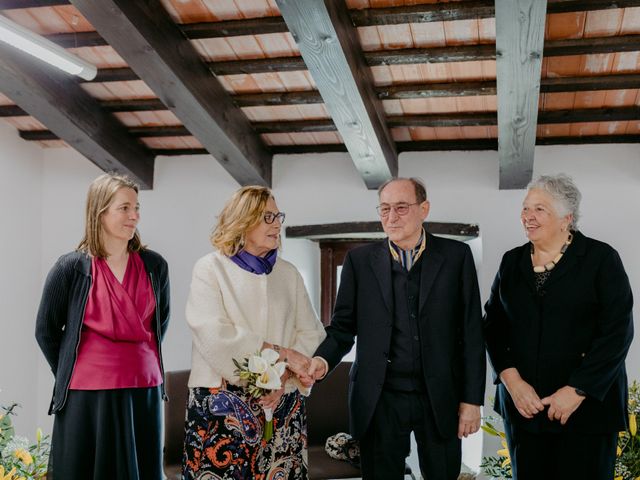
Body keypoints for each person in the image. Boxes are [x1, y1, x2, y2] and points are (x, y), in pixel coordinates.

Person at [306, 177, 485, 480]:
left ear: (424, 208)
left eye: (401, 208)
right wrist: (321, 360)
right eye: (385, 209)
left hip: (440, 396)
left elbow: (470, 333)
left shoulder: (456, 257)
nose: (391, 217)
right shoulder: (359, 262)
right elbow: (342, 328)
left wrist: (471, 401)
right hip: (379, 399)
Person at [483, 174, 634, 480]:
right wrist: (512, 382)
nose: (528, 216)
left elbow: (617, 332)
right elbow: (494, 326)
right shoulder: (511, 262)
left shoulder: (601, 259)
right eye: (526, 208)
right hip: (526, 410)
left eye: (539, 209)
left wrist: (578, 390)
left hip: (587, 411)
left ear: (567, 217)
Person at [182, 186, 326, 480]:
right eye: (268, 217)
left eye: (278, 216)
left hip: (283, 403)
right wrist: (280, 359)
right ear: (242, 221)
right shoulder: (210, 269)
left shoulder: (289, 274)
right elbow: (212, 333)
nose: (277, 224)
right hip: (222, 403)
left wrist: (282, 375)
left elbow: (310, 332)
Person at [35, 173, 170, 480]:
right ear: (100, 211)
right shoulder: (70, 267)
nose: (134, 215)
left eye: (136, 208)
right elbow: (46, 330)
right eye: (124, 208)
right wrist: (73, 370)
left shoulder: (155, 265)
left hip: (144, 389)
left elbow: (159, 322)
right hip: (86, 394)